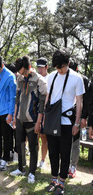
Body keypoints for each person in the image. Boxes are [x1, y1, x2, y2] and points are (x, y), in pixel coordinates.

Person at [45, 50, 84, 194]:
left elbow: (79, 103)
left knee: (65, 152)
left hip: (67, 122)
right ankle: (53, 179)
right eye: (56, 67)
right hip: (52, 120)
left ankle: (61, 182)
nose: (59, 70)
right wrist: (44, 117)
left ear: (67, 63)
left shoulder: (76, 78)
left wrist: (77, 123)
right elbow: (48, 98)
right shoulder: (51, 77)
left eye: (61, 67)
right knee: (53, 152)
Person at [10, 55, 47, 184]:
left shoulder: (39, 80)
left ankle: (32, 172)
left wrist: (39, 121)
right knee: (19, 144)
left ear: (28, 68)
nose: (22, 74)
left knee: (33, 147)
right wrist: (15, 117)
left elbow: (42, 104)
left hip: (32, 120)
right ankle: (21, 168)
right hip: (20, 118)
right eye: (20, 72)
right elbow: (17, 99)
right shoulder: (19, 79)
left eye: (23, 71)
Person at [68, 59, 89, 178]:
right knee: (66, 141)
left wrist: (83, 117)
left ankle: (73, 166)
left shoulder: (83, 80)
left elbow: (86, 101)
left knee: (75, 141)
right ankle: (65, 165)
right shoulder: (64, 78)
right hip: (67, 115)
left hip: (78, 115)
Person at [36, 57, 49, 170]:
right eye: (38, 67)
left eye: (41, 67)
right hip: (35, 111)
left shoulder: (50, 79)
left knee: (44, 137)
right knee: (35, 136)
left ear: (46, 67)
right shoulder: (35, 78)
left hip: (47, 112)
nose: (39, 70)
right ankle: (35, 158)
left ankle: (43, 160)